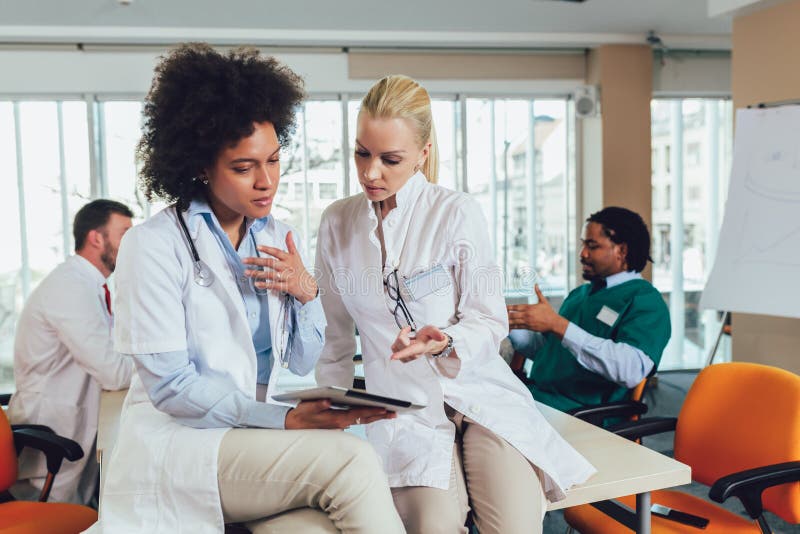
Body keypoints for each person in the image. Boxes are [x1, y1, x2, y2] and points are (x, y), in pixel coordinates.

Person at [90, 44, 404, 534]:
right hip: (182, 446)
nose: (266, 182)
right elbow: (172, 388)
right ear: (200, 165)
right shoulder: (153, 246)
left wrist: (307, 294)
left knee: (311, 529)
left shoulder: (277, 237)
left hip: (249, 437)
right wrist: (282, 421)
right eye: (243, 167)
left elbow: (301, 361)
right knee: (352, 461)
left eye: (274, 161)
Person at [315, 74, 595, 534]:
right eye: (362, 153)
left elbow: (488, 319)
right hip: (406, 409)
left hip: (479, 394)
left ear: (423, 154)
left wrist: (445, 340)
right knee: (434, 528)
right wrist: (330, 417)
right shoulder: (337, 223)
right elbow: (336, 336)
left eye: (390, 159)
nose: (370, 172)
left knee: (514, 527)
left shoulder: (455, 212)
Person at [8, 199, 135, 505]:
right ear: (96, 238)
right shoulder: (69, 288)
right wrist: (162, 362)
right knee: (59, 516)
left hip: (71, 422)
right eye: (125, 235)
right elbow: (113, 371)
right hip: (50, 431)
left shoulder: (89, 286)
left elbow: (114, 351)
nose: (133, 245)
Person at [507, 207, 671, 413]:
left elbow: (630, 370)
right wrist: (511, 324)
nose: (582, 253)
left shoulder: (645, 302)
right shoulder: (580, 294)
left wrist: (558, 325)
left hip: (580, 414)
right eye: (583, 244)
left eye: (592, 246)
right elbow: (552, 353)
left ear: (622, 251)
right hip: (536, 399)